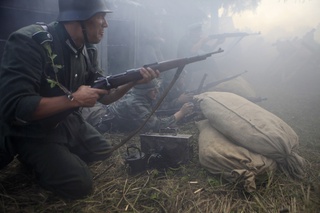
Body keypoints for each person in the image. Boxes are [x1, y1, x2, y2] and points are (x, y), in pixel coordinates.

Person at [0, 0, 159, 199]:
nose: (105, 25)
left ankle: (56, 155)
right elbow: (15, 106)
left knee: (103, 151)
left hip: (67, 121)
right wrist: (73, 100)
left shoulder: (87, 49)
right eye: (101, 17)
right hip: (33, 132)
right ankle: (32, 158)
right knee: (79, 184)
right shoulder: (30, 42)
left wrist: (133, 81)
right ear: (79, 19)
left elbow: (106, 98)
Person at [86, 79, 194, 133]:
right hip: (97, 117)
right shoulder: (136, 103)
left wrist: (178, 103)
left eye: (157, 89)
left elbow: (159, 108)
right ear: (144, 91)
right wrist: (180, 113)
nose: (156, 92)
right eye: (153, 90)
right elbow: (155, 125)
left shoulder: (143, 97)